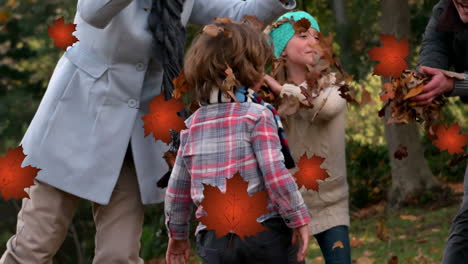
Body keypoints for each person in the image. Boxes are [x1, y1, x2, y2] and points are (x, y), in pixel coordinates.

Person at [0, 1, 297, 263]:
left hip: (134, 139)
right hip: (76, 122)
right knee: (33, 249)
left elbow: (235, 13)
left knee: (119, 255)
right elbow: (92, 11)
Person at [164, 22, 310, 264]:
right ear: (250, 71)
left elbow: (177, 190)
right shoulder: (257, 115)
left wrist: (177, 235)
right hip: (264, 232)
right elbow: (275, 174)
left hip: (216, 239)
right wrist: (298, 217)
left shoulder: (190, 126)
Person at [264, 11, 351, 264]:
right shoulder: (269, 98)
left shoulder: (334, 86)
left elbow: (323, 108)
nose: (312, 41)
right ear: (281, 50)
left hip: (330, 202)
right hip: (287, 205)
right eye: (302, 35)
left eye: (316, 36)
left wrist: (282, 90)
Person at [412, 0, 468, 263]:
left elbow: (449, 82)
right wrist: (418, 83)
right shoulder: (445, 12)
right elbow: (432, 54)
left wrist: (452, 83)